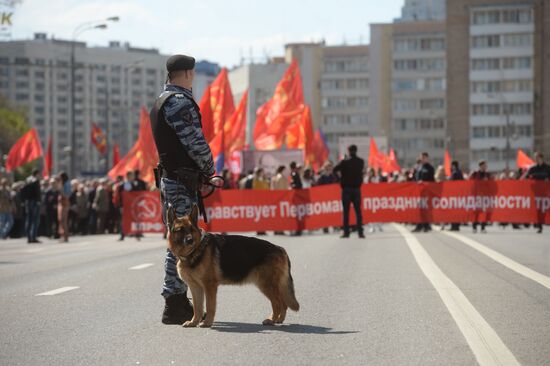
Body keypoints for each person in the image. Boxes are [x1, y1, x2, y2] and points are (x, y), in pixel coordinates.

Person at [150, 54, 215, 325]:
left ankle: (176, 299)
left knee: (178, 237)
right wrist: (209, 168)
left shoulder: (160, 101)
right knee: (181, 239)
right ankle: (174, 301)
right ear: (188, 73)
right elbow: (195, 143)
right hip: (180, 180)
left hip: (173, 177)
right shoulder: (178, 102)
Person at [333, 145, 365, 238]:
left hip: (346, 189)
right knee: (358, 212)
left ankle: (346, 232)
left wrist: (339, 179)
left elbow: (335, 170)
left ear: (349, 151)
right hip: (356, 189)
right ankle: (360, 232)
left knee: (346, 212)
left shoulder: (344, 162)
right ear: (356, 150)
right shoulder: (360, 162)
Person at [524, 152, 550, 233]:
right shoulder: (532, 169)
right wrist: (530, 178)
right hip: (536, 193)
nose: (536, 159)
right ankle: (539, 225)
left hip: (547, 193)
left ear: (541, 158)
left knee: (547, 209)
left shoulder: (548, 168)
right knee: (538, 209)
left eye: (538, 158)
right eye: (535, 158)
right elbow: (525, 178)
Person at [412, 152, 435, 233]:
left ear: (427, 158)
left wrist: (424, 183)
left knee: (425, 209)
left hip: (426, 192)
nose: (423, 159)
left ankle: (426, 225)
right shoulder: (418, 167)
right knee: (418, 209)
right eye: (422, 157)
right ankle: (419, 225)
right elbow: (415, 177)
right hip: (418, 192)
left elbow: (432, 180)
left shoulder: (430, 168)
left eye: (424, 157)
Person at [470, 160, 491, 233]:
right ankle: (474, 226)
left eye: (486, 165)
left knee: (485, 212)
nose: (486, 167)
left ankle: (483, 227)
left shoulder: (487, 174)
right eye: (484, 165)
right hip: (477, 195)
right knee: (477, 211)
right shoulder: (475, 173)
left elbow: (491, 183)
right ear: (481, 166)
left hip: (485, 195)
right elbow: (471, 182)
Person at [21, 169, 42, 243]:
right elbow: (38, 192)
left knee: (29, 220)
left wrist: (24, 200)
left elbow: (22, 190)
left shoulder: (27, 180)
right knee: (35, 220)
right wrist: (39, 201)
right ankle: (33, 237)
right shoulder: (35, 180)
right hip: (34, 202)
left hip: (28, 202)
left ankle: (29, 237)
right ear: (37, 174)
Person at [449, 161, 464, 231]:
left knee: (453, 210)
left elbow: (452, 183)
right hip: (459, 194)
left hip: (454, 194)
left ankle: (454, 225)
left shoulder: (455, 173)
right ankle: (456, 225)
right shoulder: (460, 172)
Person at [58, 172, 71, 242]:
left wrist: (61, 190)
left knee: (64, 220)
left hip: (64, 202)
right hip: (62, 202)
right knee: (61, 220)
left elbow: (67, 194)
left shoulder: (66, 184)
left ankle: (65, 236)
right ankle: (63, 236)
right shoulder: (63, 183)